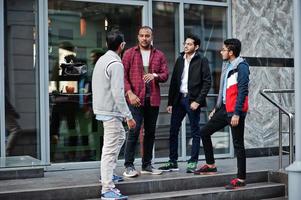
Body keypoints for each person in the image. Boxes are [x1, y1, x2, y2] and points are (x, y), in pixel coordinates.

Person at [194, 38, 250, 190]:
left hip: (235, 111)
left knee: (238, 144)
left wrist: (237, 113)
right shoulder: (228, 66)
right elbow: (224, 92)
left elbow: (243, 91)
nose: (221, 52)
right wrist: (217, 108)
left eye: (223, 50)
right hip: (225, 109)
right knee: (204, 132)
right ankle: (211, 165)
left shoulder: (242, 67)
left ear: (231, 52)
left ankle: (241, 178)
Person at [92, 30, 136, 200]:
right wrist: (128, 116)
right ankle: (107, 188)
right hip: (110, 111)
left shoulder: (102, 59)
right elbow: (118, 93)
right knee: (110, 150)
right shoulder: (116, 64)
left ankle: (107, 174)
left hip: (103, 109)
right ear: (122, 45)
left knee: (119, 138)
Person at [158, 34, 211, 173]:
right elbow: (174, 82)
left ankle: (193, 161)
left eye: (189, 44)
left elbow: (207, 83)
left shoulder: (202, 60)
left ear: (196, 47)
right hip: (179, 99)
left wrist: (198, 101)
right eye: (185, 43)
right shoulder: (180, 60)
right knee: (173, 131)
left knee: (195, 132)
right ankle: (172, 161)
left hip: (192, 100)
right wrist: (170, 102)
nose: (186, 46)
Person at [122, 26, 169, 177]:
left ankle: (147, 165)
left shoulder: (159, 55)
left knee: (150, 133)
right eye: (142, 35)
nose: (144, 38)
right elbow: (122, 76)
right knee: (134, 131)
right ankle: (129, 165)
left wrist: (155, 75)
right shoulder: (129, 54)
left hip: (152, 100)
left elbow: (165, 74)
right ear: (138, 37)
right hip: (135, 100)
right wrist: (129, 93)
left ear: (151, 37)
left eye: (147, 36)